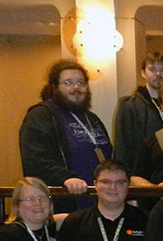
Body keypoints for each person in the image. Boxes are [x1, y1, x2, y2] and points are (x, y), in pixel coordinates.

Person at [19, 60, 112, 212]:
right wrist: (65, 178)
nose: (76, 87)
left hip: (101, 202)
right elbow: (35, 159)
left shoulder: (92, 118)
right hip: (66, 202)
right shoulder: (41, 115)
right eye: (68, 82)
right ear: (55, 87)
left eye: (81, 82)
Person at [113, 51, 163, 169]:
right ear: (143, 73)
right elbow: (122, 148)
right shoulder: (129, 106)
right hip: (140, 172)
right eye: (152, 69)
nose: (158, 74)